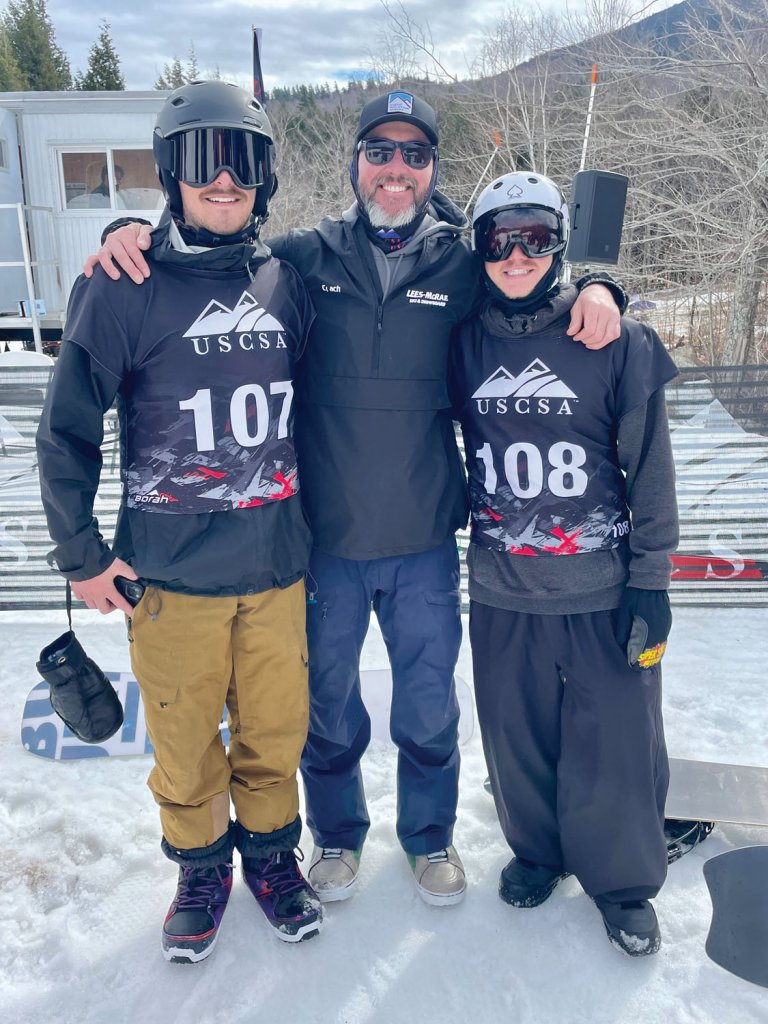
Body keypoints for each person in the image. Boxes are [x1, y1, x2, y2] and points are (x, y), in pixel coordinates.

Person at [85, 90, 627, 908]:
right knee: (326, 709)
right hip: (323, 543)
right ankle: (337, 836)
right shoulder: (304, 257)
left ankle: (429, 836)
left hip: (421, 541)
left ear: (432, 167)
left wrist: (596, 285)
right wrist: (126, 231)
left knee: (426, 707)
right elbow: (212, 253)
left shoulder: (460, 264)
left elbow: (529, 287)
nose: (396, 168)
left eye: (414, 154)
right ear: (357, 164)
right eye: (380, 151)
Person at [36, 80, 322, 964]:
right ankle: (201, 869)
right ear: (171, 172)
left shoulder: (288, 281)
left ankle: (273, 860)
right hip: (171, 575)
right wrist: (81, 556)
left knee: (276, 735)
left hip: (275, 567)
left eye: (243, 159)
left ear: (265, 177)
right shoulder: (123, 286)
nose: (224, 179)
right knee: (185, 743)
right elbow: (67, 429)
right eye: (203, 159)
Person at [449, 171, 678, 955]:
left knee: (615, 740)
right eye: (499, 240)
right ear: (478, 249)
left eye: (537, 237)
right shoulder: (465, 339)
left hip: (599, 584)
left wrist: (652, 579)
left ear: (560, 242)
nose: (517, 256)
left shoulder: (614, 339)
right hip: (503, 585)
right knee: (517, 739)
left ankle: (621, 883)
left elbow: (650, 465)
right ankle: (539, 851)